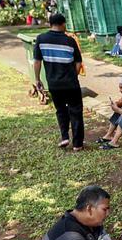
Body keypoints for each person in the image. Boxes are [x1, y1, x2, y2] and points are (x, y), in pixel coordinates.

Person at [33, 13, 85, 151]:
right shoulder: (70, 41)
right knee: (76, 111)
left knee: (61, 110)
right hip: (71, 84)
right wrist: (73, 75)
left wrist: (37, 79)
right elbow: (79, 62)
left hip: (54, 84)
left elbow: (37, 61)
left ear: (50, 24)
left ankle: (64, 137)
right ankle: (78, 144)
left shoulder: (41, 39)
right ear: (63, 24)